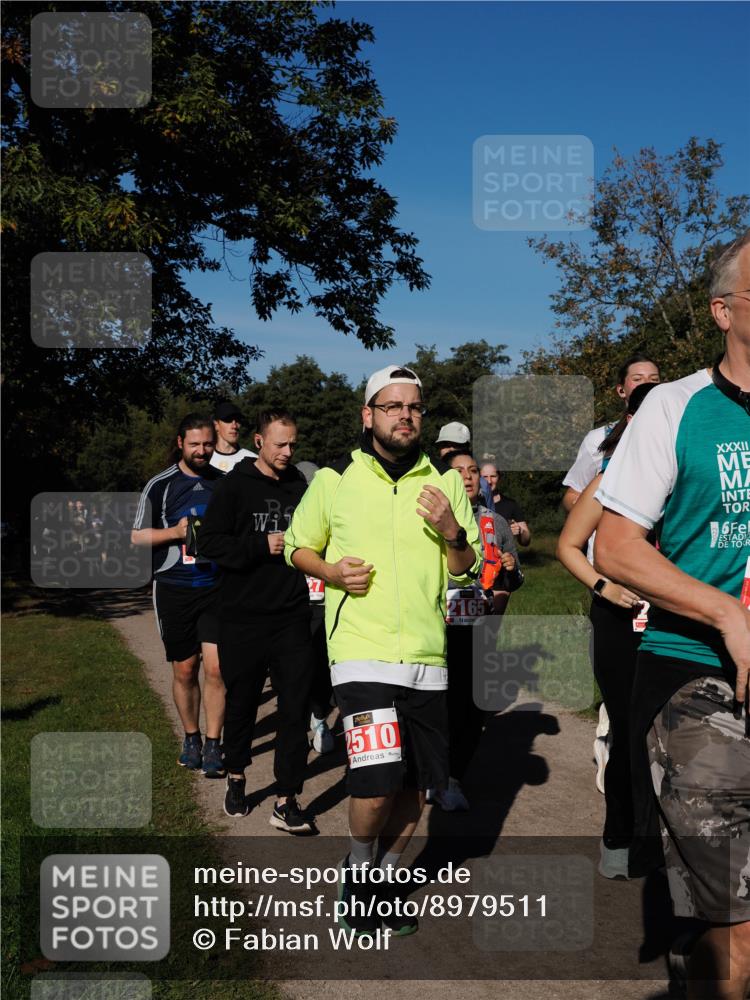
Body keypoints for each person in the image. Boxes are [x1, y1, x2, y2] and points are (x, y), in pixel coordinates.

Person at [595, 230, 750, 999]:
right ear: (723, 311)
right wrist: (726, 612)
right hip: (695, 677)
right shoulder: (676, 408)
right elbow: (615, 547)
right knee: (739, 910)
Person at [284, 364, 481, 937]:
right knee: (374, 780)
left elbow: (465, 572)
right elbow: (298, 546)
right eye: (392, 406)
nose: (405, 416)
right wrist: (331, 572)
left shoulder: (444, 484)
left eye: (414, 407)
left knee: (417, 787)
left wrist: (451, 531)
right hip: (361, 653)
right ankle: (359, 867)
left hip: (428, 659)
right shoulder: (334, 478)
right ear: (368, 415)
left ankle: (386, 882)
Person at [556, 382, 658, 878]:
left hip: (674, 623)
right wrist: (604, 587)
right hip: (619, 620)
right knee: (629, 729)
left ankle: (666, 843)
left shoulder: (685, 477)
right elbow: (568, 546)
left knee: (673, 736)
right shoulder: (609, 478)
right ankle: (620, 836)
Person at [199, 409, 316, 833]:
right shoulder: (234, 487)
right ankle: (236, 776)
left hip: (290, 613)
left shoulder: (299, 486)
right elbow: (209, 542)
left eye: (292, 444)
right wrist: (259, 544)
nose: (287, 452)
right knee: (243, 702)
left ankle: (287, 798)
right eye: (280, 444)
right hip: (242, 616)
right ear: (259, 441)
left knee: (295, 707)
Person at [131, 414, 225, 778]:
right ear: (180, 443)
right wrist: (174, 532)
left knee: (217, 668)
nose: (202, 451)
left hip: (217, 587)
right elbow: (137, 536)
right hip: (174, 586)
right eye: (194, 444)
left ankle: (215, 743)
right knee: (186, 670)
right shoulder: (160, 484)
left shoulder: (224, 483)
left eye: (207, 444)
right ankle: (192, 738)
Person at [437, 448, 523, 811]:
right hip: (435, 625)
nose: (469, 477)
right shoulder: (429, 519)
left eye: (473, 471)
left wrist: (508, 567)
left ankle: (453, 776)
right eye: (459, 471)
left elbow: (516, 577)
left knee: (472, 708)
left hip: (479, 625)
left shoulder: (495, 522)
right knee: (436, 703)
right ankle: (430, 771)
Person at [296, 460, 335, 755]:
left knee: (322, 669)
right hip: (294, 607)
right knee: (295, 671)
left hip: (324, 606)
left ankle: (319, 720)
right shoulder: (290, 521)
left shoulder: (334, 520)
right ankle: (297, 723)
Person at [435, 422, 495, 510]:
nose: (451, 449)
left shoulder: (482, 485)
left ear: (467, 448)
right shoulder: (427, 476)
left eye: (457, 445)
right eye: (445, 445)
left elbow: (491, 518)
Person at [480, 462, 531, 547]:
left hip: (505, 557)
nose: (489, 481)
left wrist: (520, 531)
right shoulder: (471, 503)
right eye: (485, 477)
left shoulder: (510, 504)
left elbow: (526, 541)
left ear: (499, 478)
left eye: (493, 476)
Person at [210, 401, 257, 474]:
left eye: (238, 420)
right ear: (216, 425)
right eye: (228, 420)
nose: (234, 426)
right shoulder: (205, 458)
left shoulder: (253, 460)